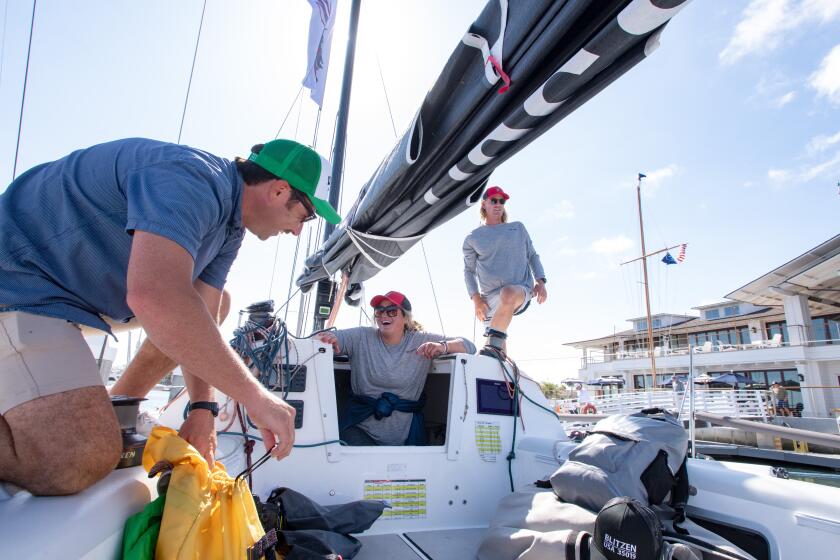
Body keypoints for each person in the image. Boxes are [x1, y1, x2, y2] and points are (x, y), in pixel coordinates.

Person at [0, 137, 341, 496]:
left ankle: (117, 403)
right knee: (77, 456)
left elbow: (202, 310)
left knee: (215, 302)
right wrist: (258, 399)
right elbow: (156, 296)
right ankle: (93, 428)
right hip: (19, 280)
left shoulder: (230, 227)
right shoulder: (192, 180)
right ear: (279, 190)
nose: (299, 230)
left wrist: (203, 409)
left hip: (65, 293)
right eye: (305, 215)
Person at [316, 291, 476, 446]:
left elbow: (469, 346)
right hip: (359, 428)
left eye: (391, 311)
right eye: (379, 312)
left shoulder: (421, 340)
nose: (384, 315)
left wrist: (442, 346)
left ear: (406, 318)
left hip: (406, 435)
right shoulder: (361, 336)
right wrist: (329, 339)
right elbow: (323, 337)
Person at [462, 186, 547, 354]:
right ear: (484, 204)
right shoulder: (472, 238)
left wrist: (541, 281)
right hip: (489, 299)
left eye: (502, 201)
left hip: (519, 290)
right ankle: (501, 367)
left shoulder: (518, 228)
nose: (498, 204)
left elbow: (532, 255)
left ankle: (492, 345)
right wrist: (476, 300)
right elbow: (468, 272)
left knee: (507, 294)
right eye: (493, 200)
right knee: (498, 356)